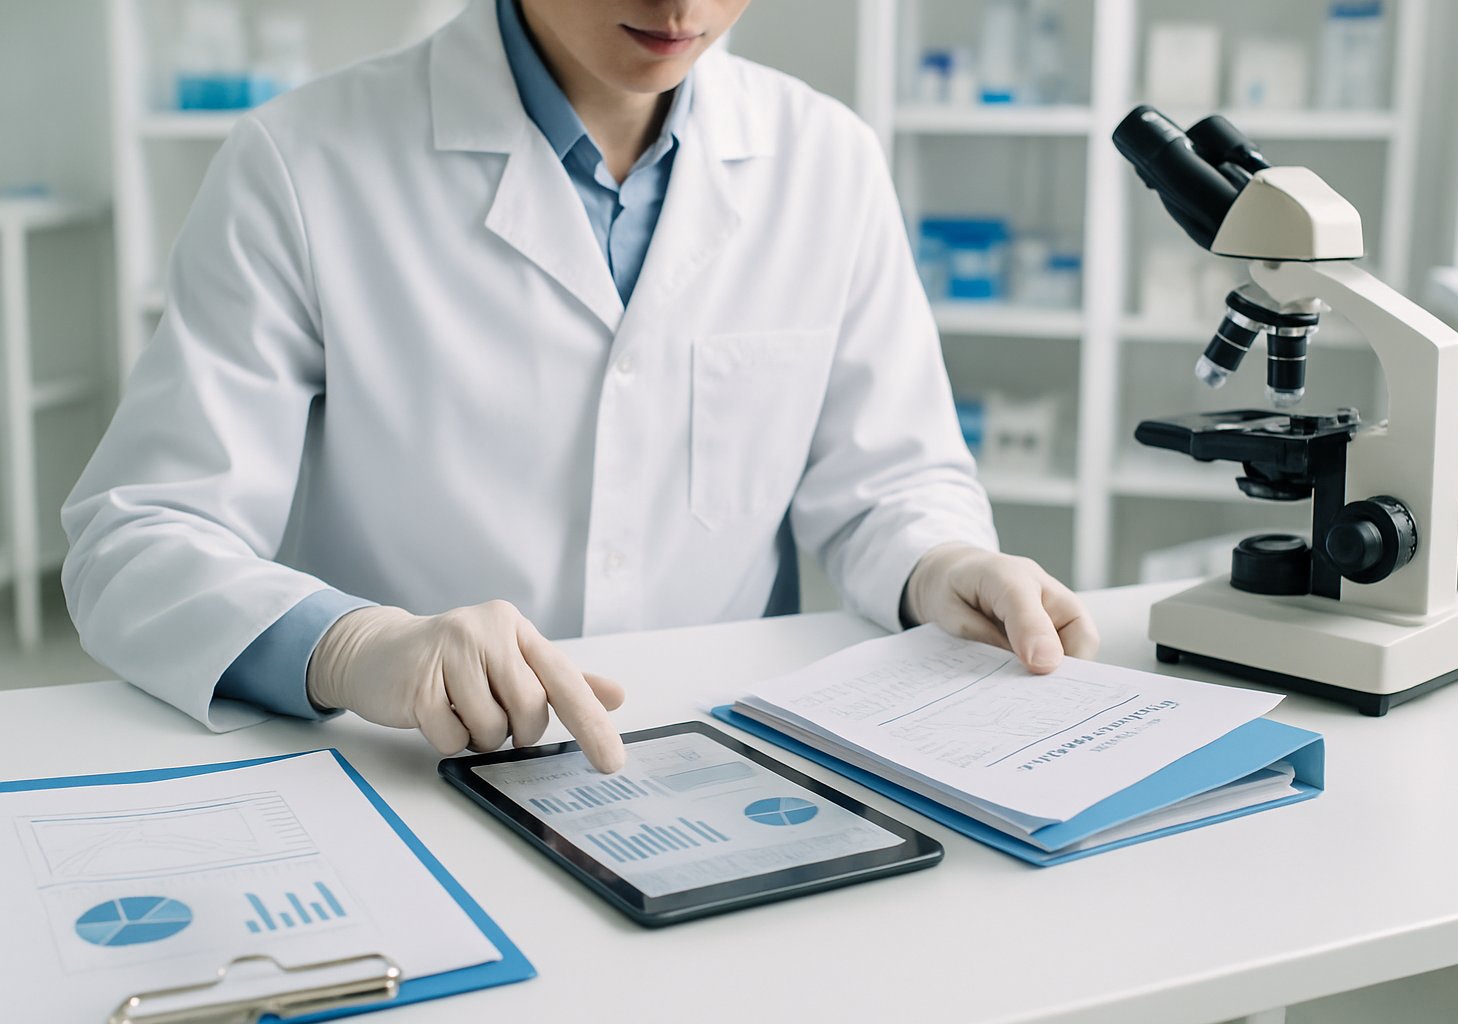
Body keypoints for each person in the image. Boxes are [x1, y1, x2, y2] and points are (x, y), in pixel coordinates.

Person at [62, 0, 1098, 774]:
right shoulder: (302, 161)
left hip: (720, 771)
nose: (681, 6)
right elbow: (138, 537)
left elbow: (887, 478)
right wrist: (352, 647)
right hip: (416, 769)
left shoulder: (826, 159)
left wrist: (941, 561)